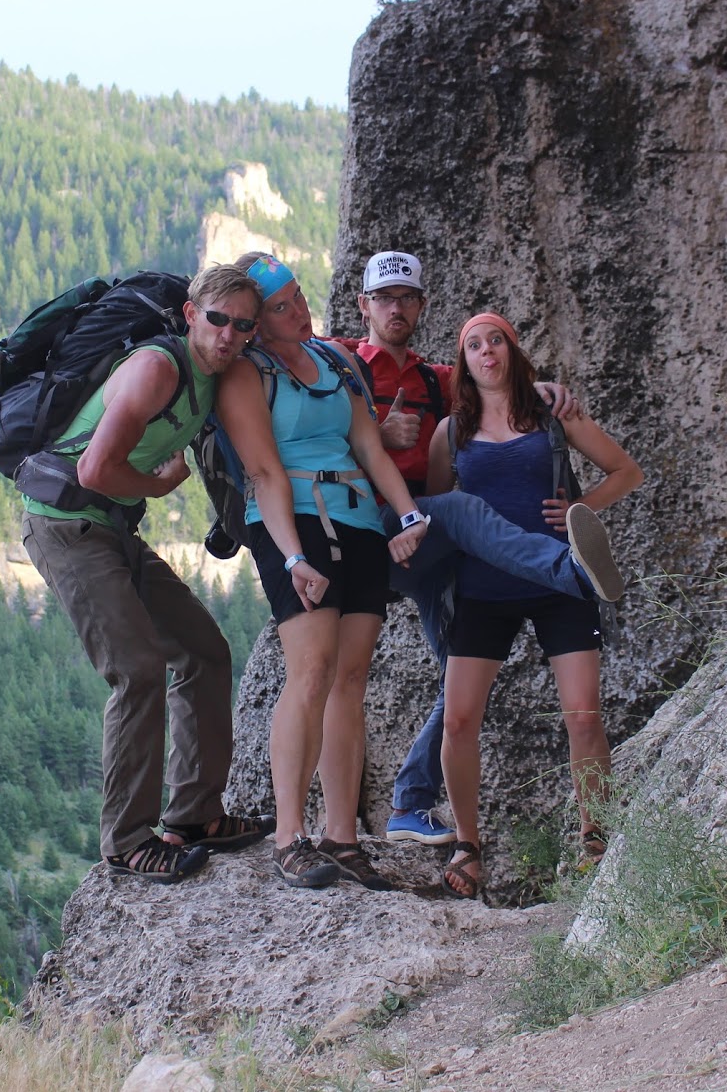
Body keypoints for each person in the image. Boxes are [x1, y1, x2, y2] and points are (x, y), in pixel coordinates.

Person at [329, 251, 625, 845]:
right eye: (383, 298)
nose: (395, 307)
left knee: (457, 688)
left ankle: (411, 802)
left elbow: (488, 375)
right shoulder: (339, 368)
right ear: (362, 305)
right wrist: (372, 438)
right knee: (460, 509)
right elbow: (308, 438)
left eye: (407, 298)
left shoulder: (435, 379)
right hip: (385, 532)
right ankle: (570, 571)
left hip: (436, 542)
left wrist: (541, 390)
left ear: (420, 307)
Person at [19, 262, 276, 884]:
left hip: (110, 530)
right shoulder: (159, 368)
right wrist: (157, 486)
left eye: (243, 327)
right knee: (136, 671)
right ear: (191, 315)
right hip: (66, 524)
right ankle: (128, 840)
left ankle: (194, 815)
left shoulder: (219, 375)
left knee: (203, 651)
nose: (228, 335)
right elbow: (96, 469)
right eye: (217, 320)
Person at [214, 254, 431, 890]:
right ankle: (289, 837)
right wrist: (292, 556)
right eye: (281, 307)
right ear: (256, 321)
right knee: (309, 673)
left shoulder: (336, 362)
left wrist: (408, 513)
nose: (299, 312)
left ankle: (342, 835)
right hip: (294, 522)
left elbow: (367, 444)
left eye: (299, 298)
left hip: (360, 521)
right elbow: (264, 472)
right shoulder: (246, 375)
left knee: (351, 679)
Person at [427, 312, 644, 900]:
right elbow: (438, 510)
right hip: (481, 587)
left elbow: (627, 469)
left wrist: (582, 507)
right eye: (473, 344)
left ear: (513, 350)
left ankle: (595, 836)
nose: (486, 350)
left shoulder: (553, 413)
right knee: (458, 720)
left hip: (559, 581)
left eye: (495, 339)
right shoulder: (450, 432)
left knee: (583, 716)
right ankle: (468, 844)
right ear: (463, 362)